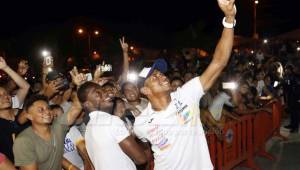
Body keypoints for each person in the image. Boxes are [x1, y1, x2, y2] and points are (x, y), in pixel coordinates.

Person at [133, 1, 237, 169]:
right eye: (155, 78)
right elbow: (144, 151)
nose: (162, 77)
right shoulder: (141, 124)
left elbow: (218, 62)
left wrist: (229, 19)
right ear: (145, 90)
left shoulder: (186, 94)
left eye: (161, 73)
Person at [13, 71, 84, 170]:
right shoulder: (24, 141)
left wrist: (79, 86)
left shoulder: (58, 127)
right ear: (29, 116)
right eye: (41, 110)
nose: (47, 112)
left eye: (48, 108)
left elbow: (77, 107)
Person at [77, 81, 147, 170]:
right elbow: (141, 159)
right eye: (98, 94)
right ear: (88, 104)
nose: (106, 94)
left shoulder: (89, 129)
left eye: (103, 91)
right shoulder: (111, 121)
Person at [0, 57, 30, 163]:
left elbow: (25, 87)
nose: (4, 97)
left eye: (6, 94)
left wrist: (5, 67)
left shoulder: (18, 110)